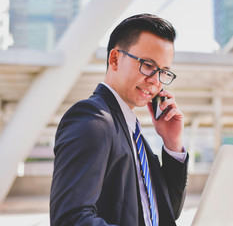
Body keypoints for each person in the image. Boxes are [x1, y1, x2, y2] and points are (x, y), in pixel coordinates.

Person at [50, 13, 189, 226]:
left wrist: (172, 143)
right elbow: (70, 219)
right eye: (148, 65)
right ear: (115, 59)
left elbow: (167, 210)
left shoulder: (132, 133)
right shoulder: (92, 120)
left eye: (163, 72)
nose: (155, 81)